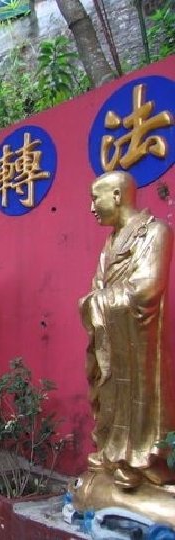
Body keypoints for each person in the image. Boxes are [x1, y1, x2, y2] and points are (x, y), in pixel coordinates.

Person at [79, 170, 175, 489]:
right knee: (109, 391)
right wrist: (94, 301)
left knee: (140, 395)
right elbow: (97, 286)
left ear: (117, 196)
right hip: (112, 336)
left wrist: (96, 302)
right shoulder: (109, 243)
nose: (92, 207)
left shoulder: (156, 231)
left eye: (96, 198)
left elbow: (148, 288)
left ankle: (142, 459)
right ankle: (113, 453)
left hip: (140, 340)